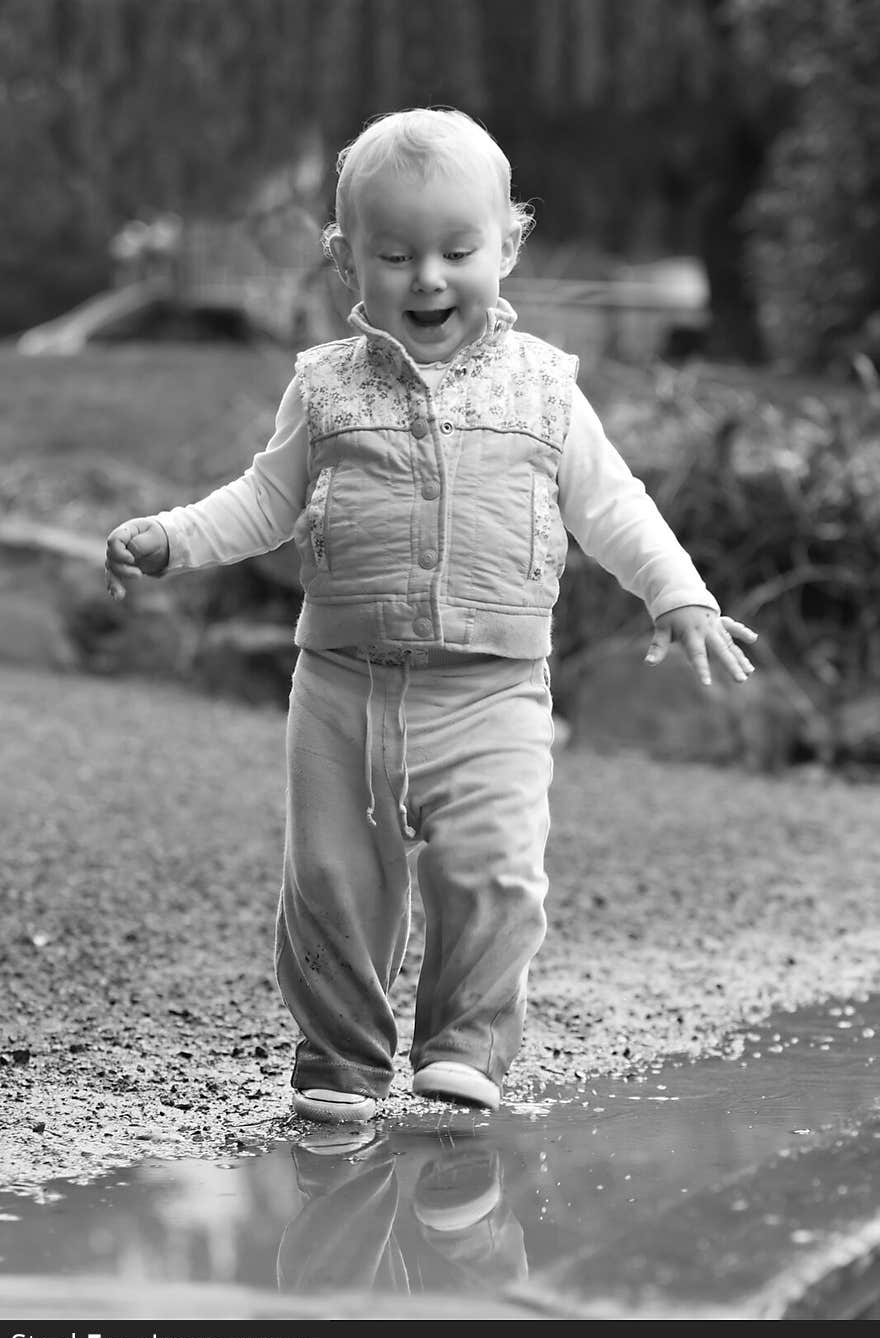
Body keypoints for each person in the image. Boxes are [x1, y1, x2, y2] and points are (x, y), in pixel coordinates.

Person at [105, 107, 758, 1126]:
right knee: (330, 878)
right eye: (395, 253)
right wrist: (173, 537)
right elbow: (265, 499)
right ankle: (340, 1056)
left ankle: (462, 1042)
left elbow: (611, 502)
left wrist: (678, 592)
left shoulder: (544, 388)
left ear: (508, 244)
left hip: (491, 689)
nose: (428, 278)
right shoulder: (324, 387)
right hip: (343, 687)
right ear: (344, 258)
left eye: (458, 250)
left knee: (492, 866)